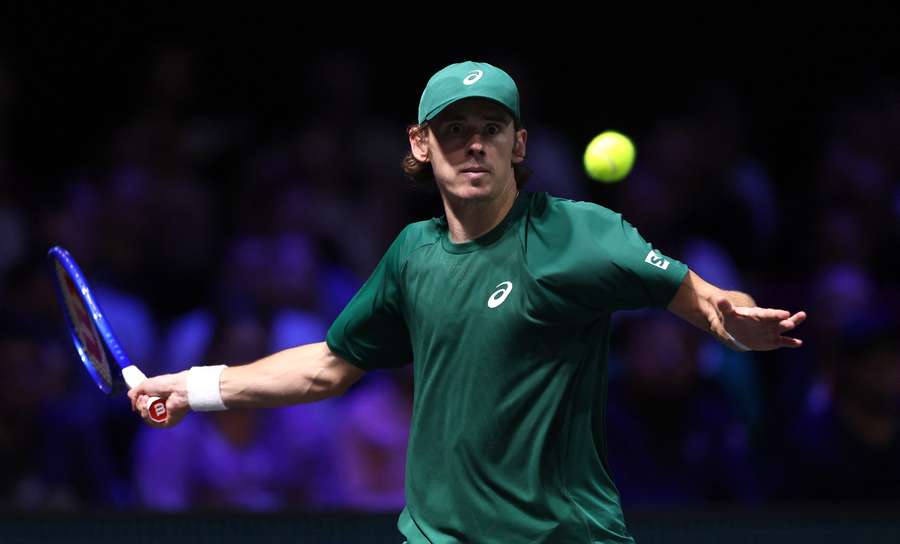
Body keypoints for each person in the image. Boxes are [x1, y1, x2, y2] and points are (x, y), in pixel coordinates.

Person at [130, 61, 806, 543]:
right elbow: (328, 367)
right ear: (420, 144)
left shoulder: (579, 233)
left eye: (492, 126)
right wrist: (194, 387)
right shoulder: (412, 254)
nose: (474, 142)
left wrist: (735, 322)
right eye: (453, 128)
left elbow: (704, 297)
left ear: (519, 144)